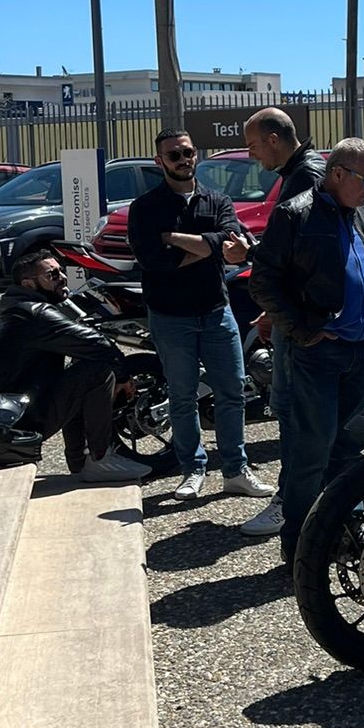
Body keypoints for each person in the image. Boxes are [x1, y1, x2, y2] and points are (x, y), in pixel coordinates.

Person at [248, 137, 364, 568]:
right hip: (317, 354)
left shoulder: (363, 212)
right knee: (311, 454)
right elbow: (264, 282)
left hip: (361, 352)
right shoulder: (295, 214)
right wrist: (305, 330)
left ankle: (341, 536)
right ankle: (300, 550)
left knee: (350, 447)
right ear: (337, 174)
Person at [126, 130, 271, 506]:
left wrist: (173, 238)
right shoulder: (145, 207)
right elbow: (153, 262)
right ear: (160, 161)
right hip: (170, 315)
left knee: (232, 391)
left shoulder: (217, 200)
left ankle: (236, 471)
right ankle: (192, 469)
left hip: (216, 311)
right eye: (174, 155)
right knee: (182, 396)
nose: (183, 159)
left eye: (188, 152)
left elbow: (232, 243)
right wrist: (209, 247)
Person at [0, 250, 148, 483]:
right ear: (29, 284)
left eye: (61, 271)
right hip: (9, 424)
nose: (62, 277)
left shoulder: (17, 309)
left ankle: (81, 461)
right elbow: (99, 345)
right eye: (52, 275)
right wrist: (123, 377)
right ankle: (99, 458)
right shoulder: (35, 314)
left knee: (80, 371)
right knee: (98, 370)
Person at [238, 108, 327, 539]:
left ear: (274, 139)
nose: (252, 155)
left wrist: (248, 254)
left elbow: (298, 258)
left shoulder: (305, 176)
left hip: (302, 323)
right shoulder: (306, 172)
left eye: (254, 145)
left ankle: (292, 506)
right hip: (298, 317)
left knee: (295, 415)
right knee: (299, 415)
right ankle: (307, 505)